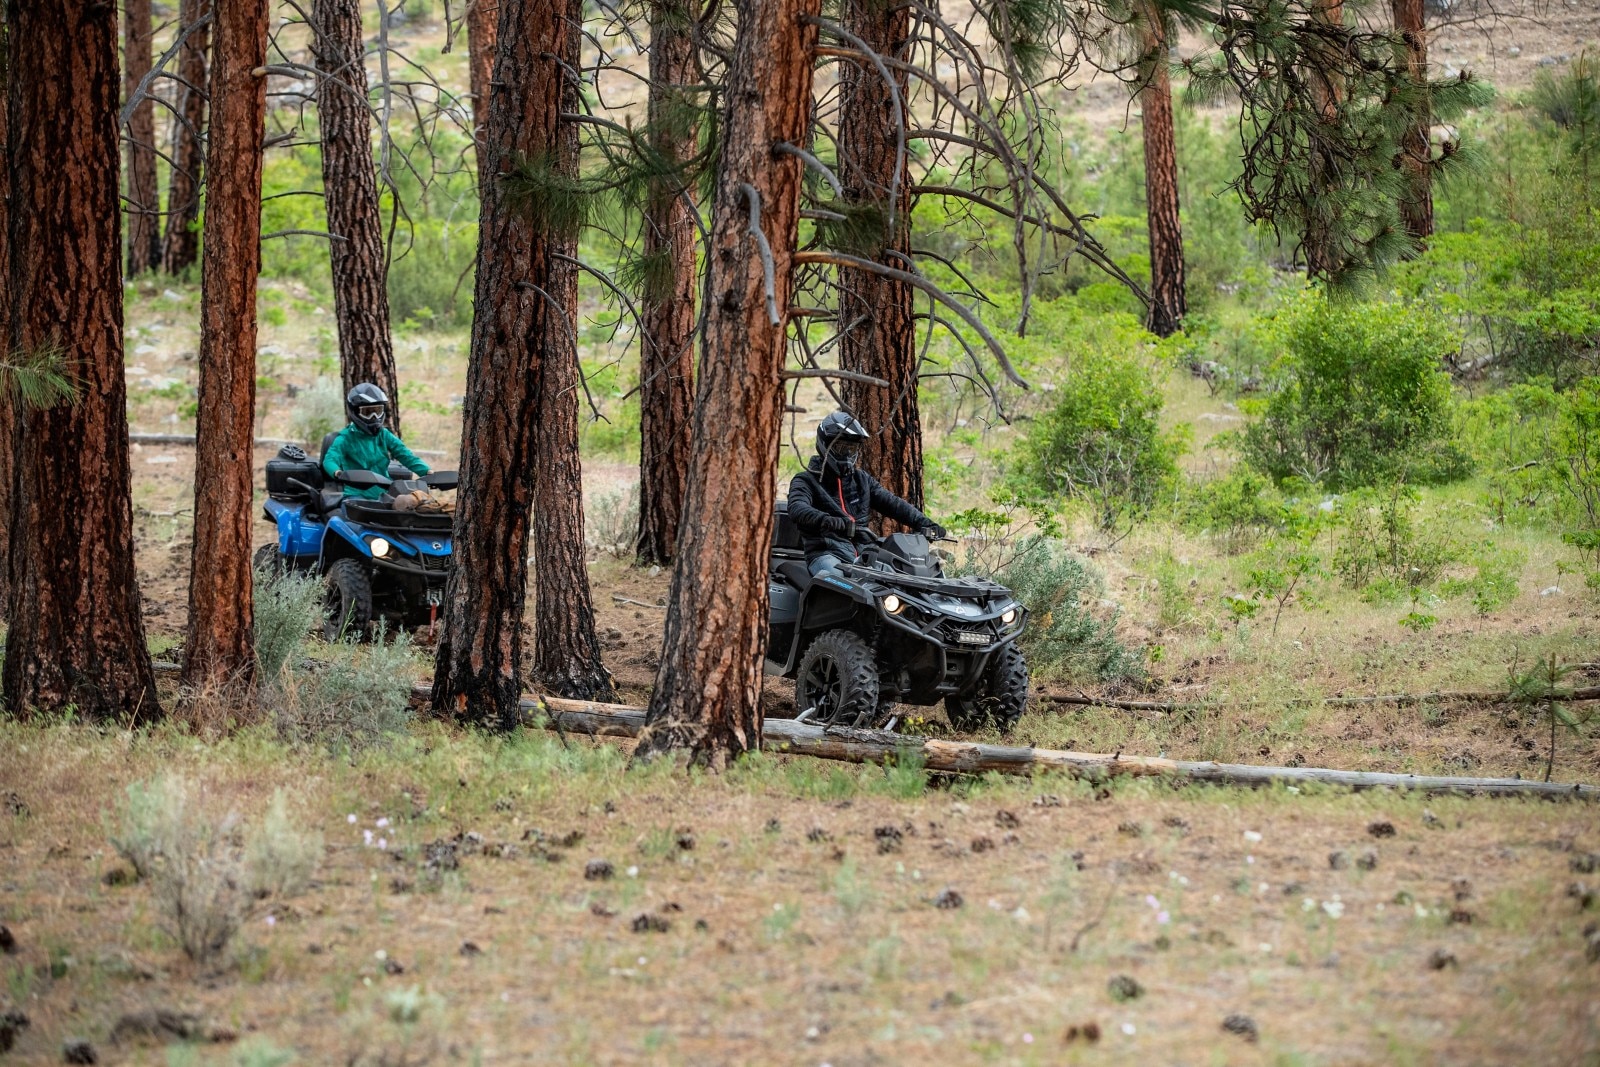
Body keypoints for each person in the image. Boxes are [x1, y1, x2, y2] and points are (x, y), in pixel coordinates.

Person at [787, 410, 947, 575]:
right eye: (841, 448)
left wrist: (925, 523)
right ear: (825, 445)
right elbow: (797, 507)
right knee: (836, 580)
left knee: (905, 575)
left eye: (852, 448)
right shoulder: (806, 480)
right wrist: (829, 521)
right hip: (826, 555)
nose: (848, 454)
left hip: (865, 554)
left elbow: (893, 504)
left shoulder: (862, 480)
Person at [322, 383, 430, 500]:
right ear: (355, 412)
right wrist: (338, 473)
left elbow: (405, 455)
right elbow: (329, 459)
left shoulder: (384, 435)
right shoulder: (346, 437)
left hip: (385, 492)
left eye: (377, 411)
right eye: (368, 412)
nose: (374, 417)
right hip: (356, 495)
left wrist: (427, 472)